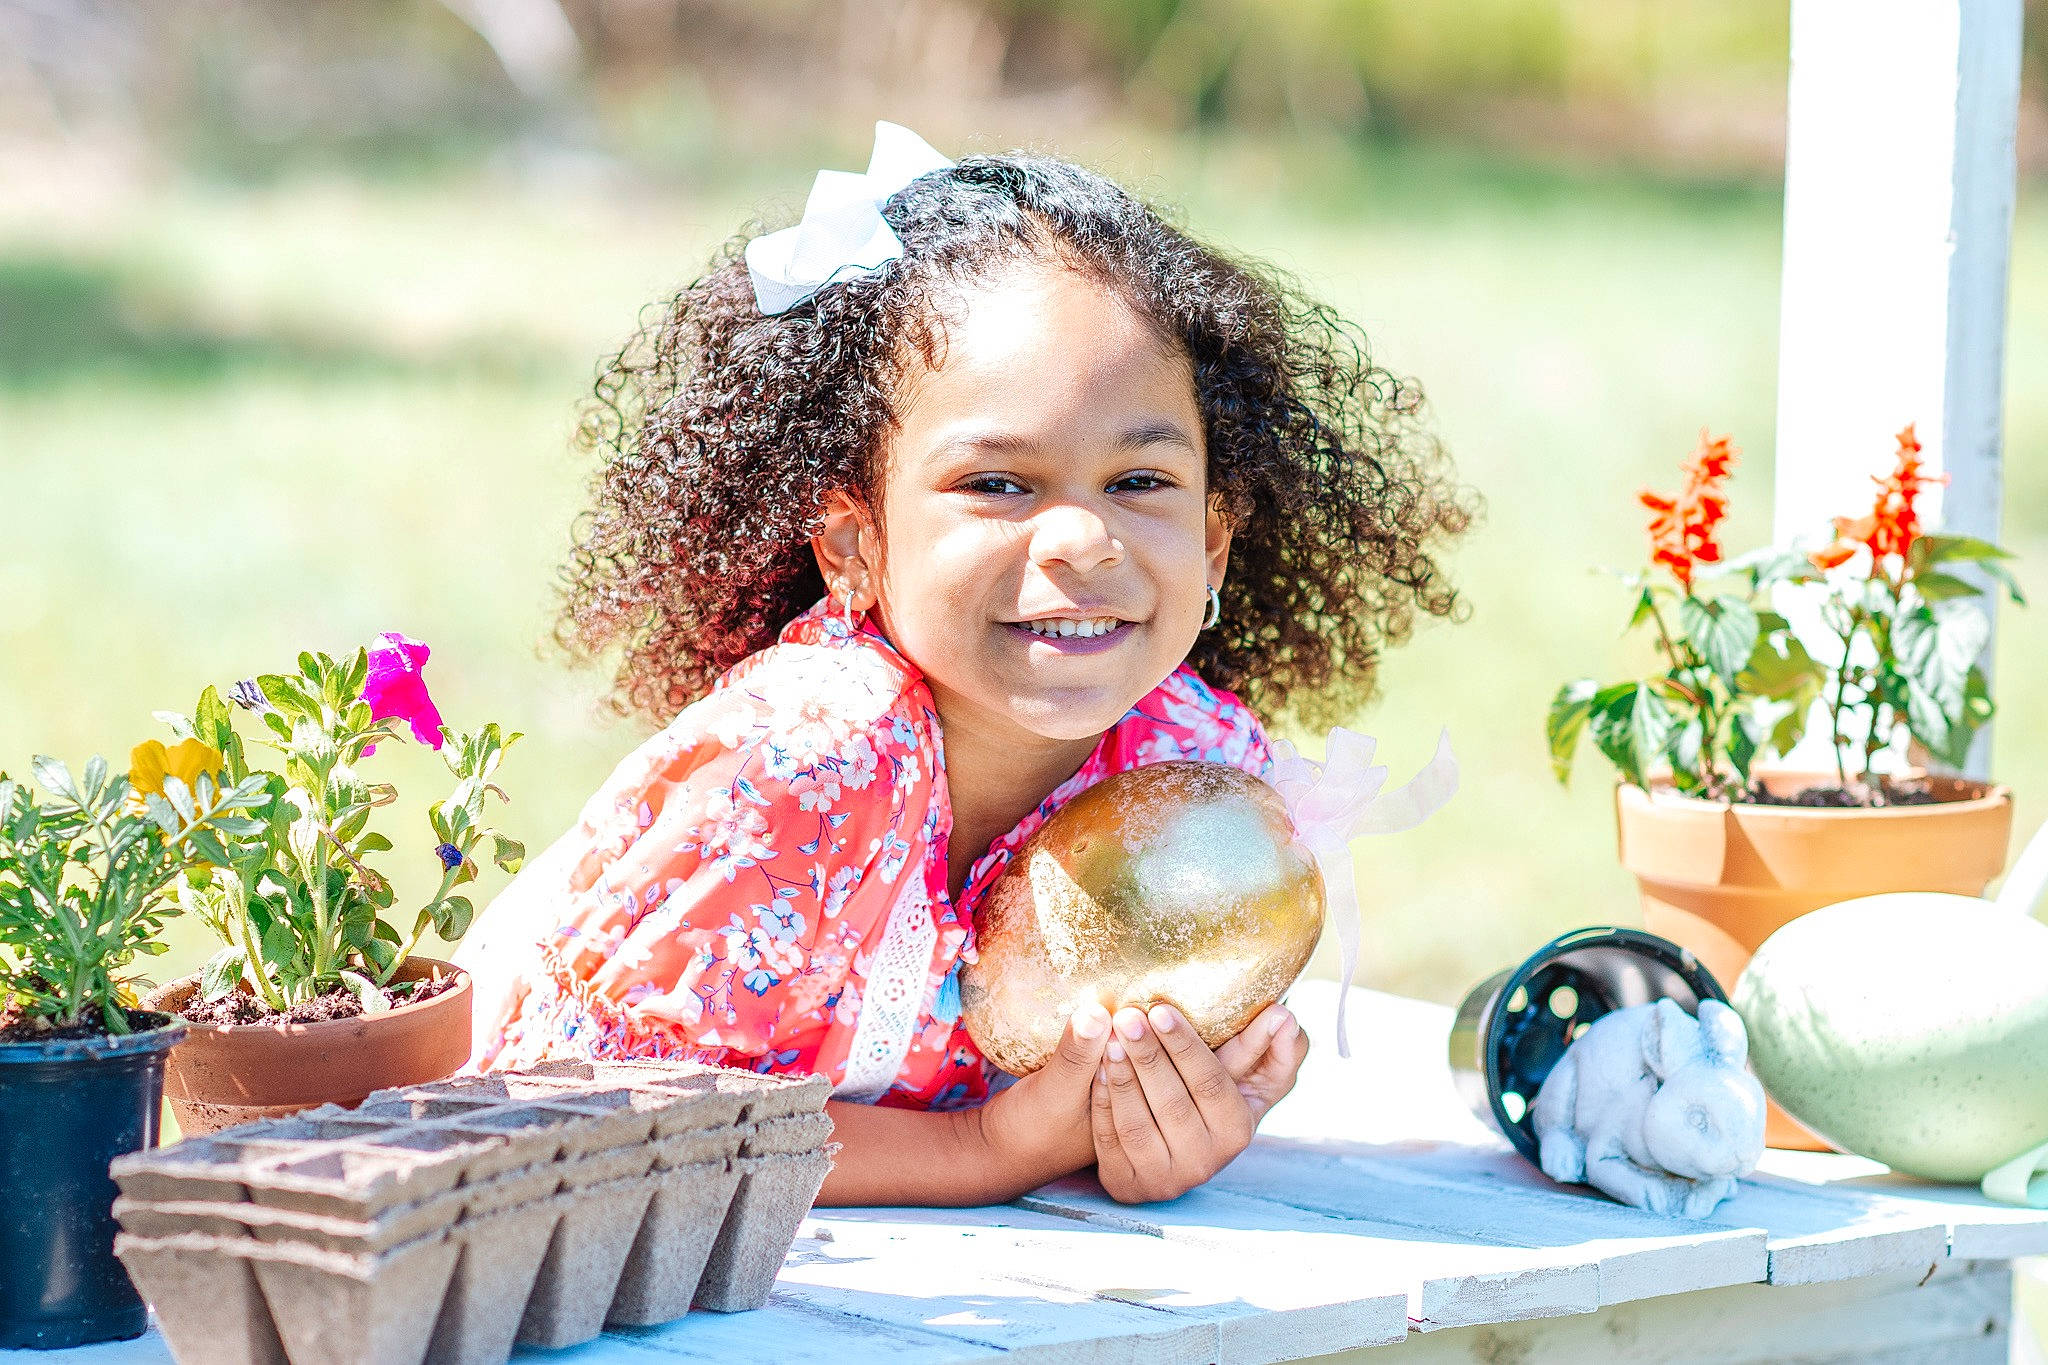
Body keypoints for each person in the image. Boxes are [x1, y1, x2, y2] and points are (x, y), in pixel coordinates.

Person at [457, 123, 1471, 1207]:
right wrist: (986, 1151)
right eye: (996, 483)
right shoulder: (802, 766)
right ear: (854, 543)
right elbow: (595, 1124)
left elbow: (1111, 1085)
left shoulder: (1193, 773)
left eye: (1140, 482)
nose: (1084, 541)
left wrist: (1170, 1118)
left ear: (1213, 545)